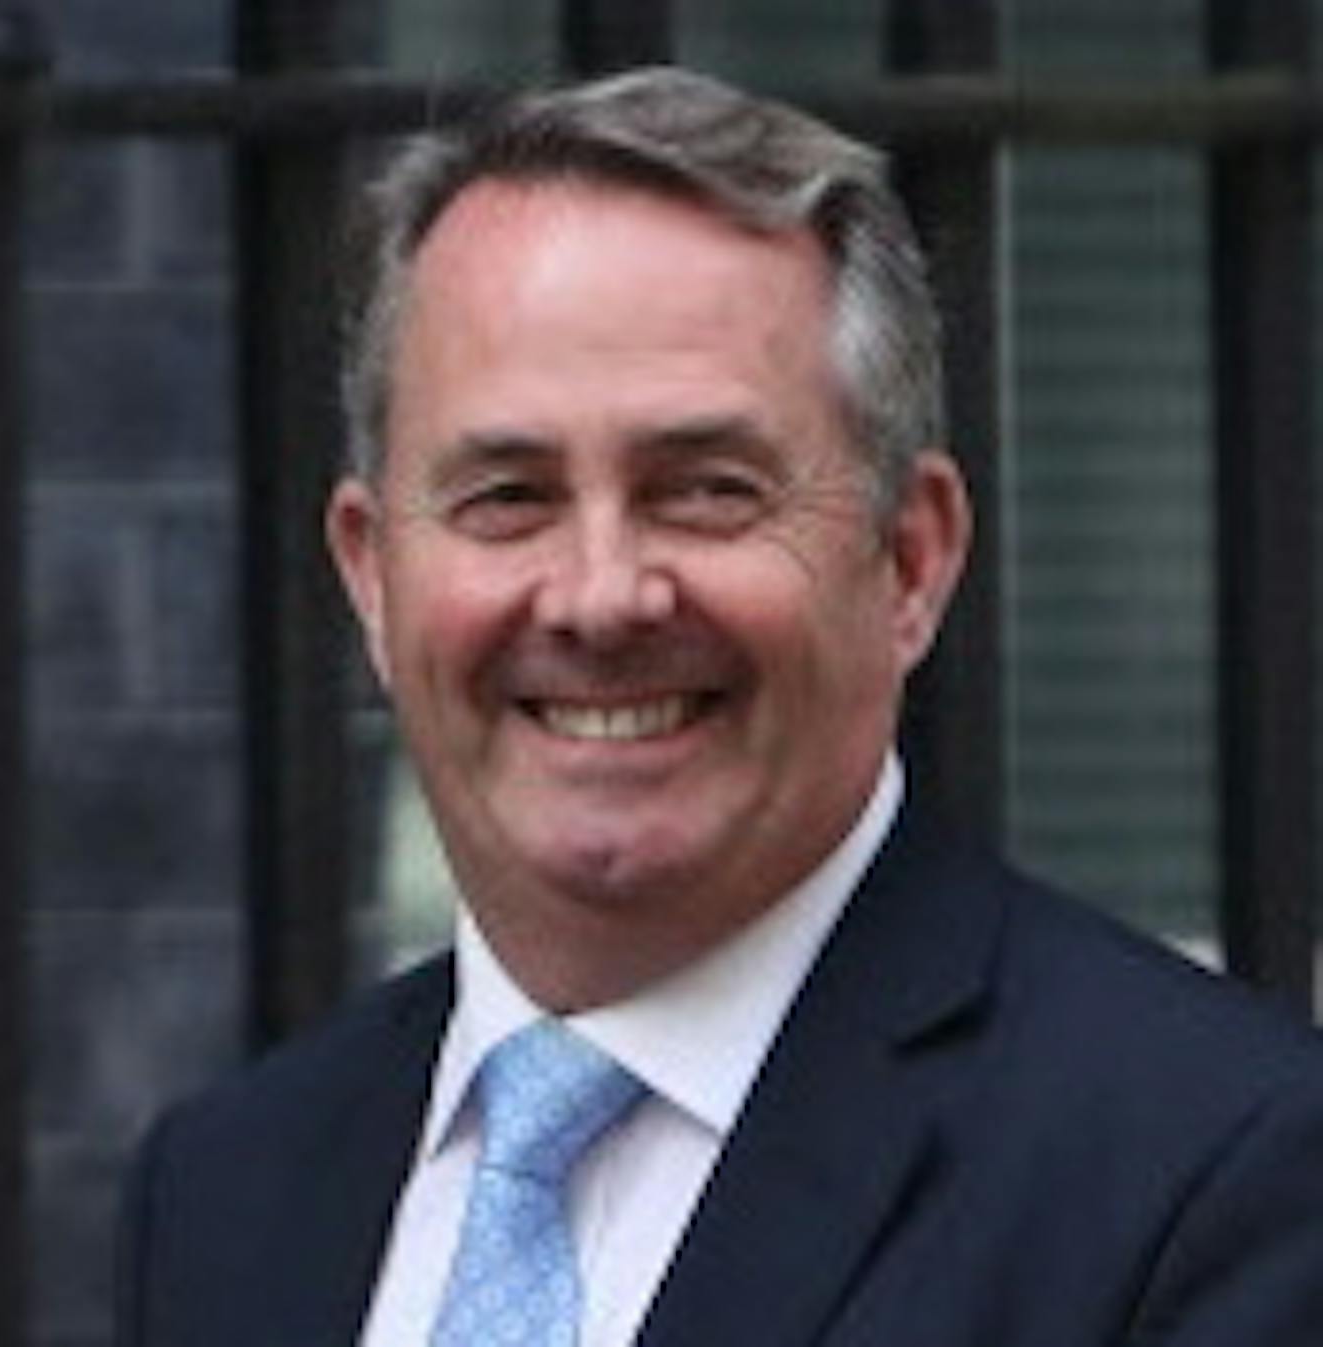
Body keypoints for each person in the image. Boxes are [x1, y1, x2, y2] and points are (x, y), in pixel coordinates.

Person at [116, 66, 1323, 1346]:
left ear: (910, 558)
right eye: (506, 497)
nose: (599, 597)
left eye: (705, 490)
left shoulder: (1213, 1175)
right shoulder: (228, 1189)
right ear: (371, 571)